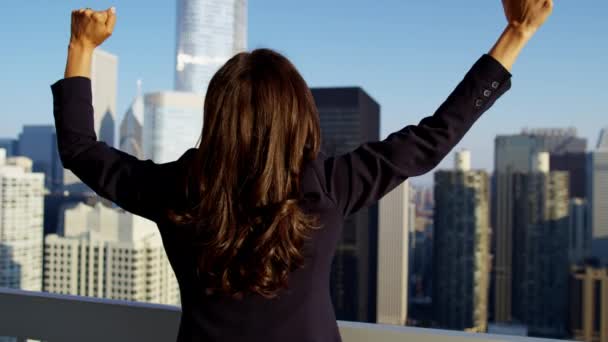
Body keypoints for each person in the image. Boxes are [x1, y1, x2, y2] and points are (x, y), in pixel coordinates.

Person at [51, 1, 553, 341]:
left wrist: (82, 46)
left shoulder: (177, 190)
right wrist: (516, 33)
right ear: (299, 117)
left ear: (216, 117)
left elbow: (79, 150)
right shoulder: (329, 188)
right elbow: (432, 138)